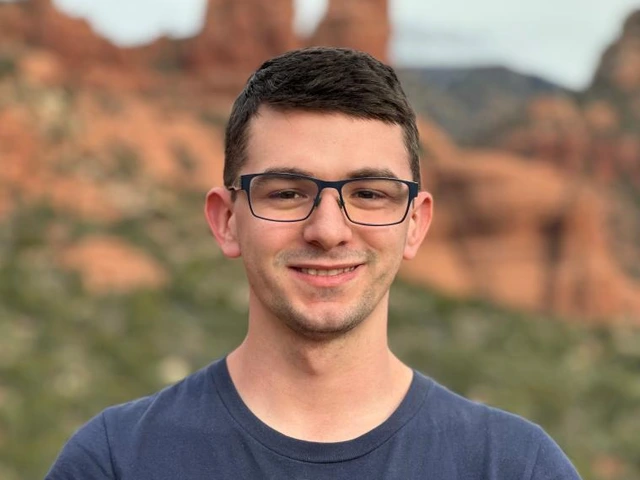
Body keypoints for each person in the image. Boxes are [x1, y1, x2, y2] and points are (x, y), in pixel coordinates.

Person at [46, 47, 581, 479]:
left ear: (415, 223)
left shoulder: (514, 465)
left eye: (370, 193)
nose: (328, 230)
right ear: (226, 220)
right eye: (286, 193)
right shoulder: (115, 462)